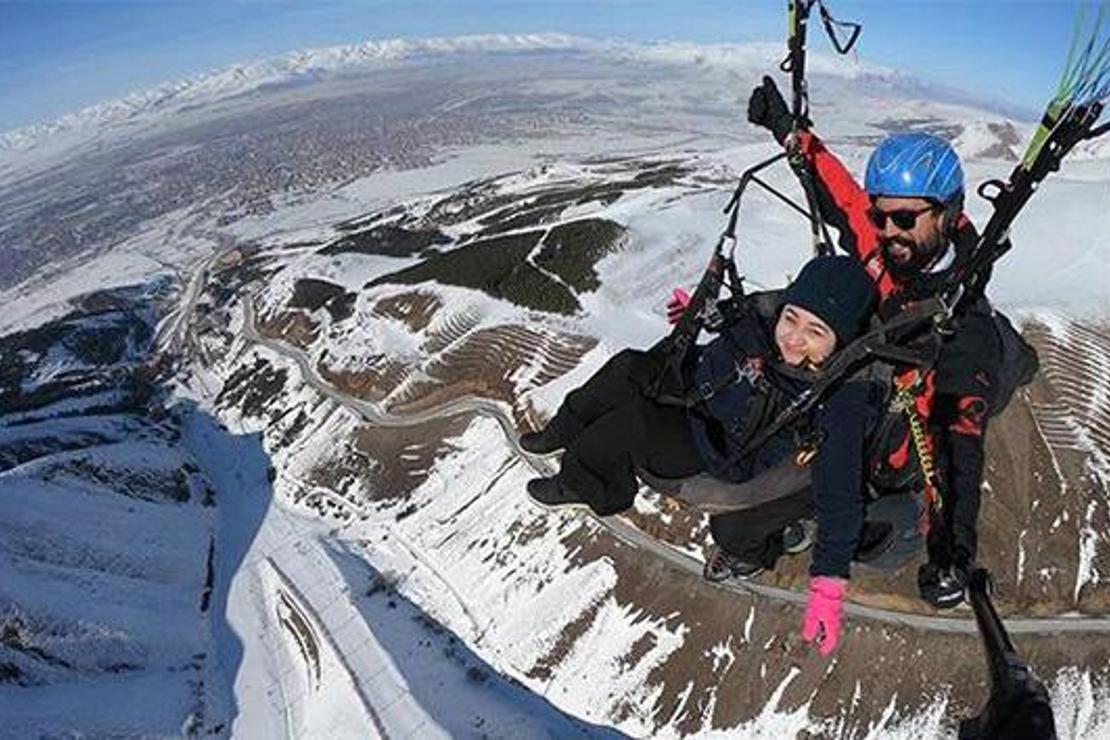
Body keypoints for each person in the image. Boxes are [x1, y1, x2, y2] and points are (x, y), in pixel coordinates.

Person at [522, 254, 881, 655]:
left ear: (840, 344)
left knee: (635, 422)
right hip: (701, 393)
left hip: (717, 448)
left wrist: (828, 591)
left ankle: (587, 485)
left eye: (815, 332)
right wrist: (701, 313)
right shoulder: (766, 325)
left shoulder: (838, 397)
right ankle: (563, 428)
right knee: (627, 368)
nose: (793, 338)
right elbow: (739, 321)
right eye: (791, 318)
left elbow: (841, 496)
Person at [746, 75, 1005, 609]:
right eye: (881, 216)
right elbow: (838, 191)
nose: (888, 231)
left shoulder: (966, 326)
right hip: (850, 400)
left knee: (858, 512)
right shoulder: (884, 244)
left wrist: (952, 550)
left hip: (892, 451)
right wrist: (790, 132)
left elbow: (959, 443)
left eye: (905, 218)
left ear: (949, 214)